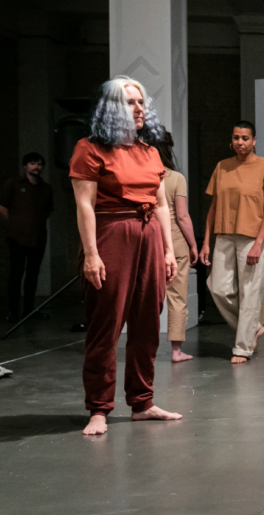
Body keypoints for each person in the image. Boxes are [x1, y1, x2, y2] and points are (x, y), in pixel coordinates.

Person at [69, 76, 183, 435]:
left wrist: (167, 249)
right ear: (111, 109)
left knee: (149, 322)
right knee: (107, 324)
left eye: (141, 102)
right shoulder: (90, 148)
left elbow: (162, 204)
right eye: (130, 102)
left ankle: (142, 403)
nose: (139, 109)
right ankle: (99, 409)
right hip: (112, 234)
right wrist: (91, 254)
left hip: (149, 236)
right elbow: (84, 206)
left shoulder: (148, 150)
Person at [198, 121, 264, 364]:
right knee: (218, 288)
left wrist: (259, 243)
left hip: (251, 237)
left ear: (254, 140)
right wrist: (207, 242)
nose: (240, 142)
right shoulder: (222, 167)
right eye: (236, 137)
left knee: (250, 292)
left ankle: (242, 348)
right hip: (224, 235)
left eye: (245, 138)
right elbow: (213, 207)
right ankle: (252, 327)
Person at [154, 132, 200, 363]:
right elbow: (182, 217)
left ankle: (145, 348)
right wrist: (194, 245)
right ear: (169, 148)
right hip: (176, 244)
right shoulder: (175, 178)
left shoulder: (140, 176)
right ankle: (176, 351)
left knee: (149, 299)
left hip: (150, 244)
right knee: (177, 299)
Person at [1, 152, 53, 322]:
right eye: (32, 164)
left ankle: (29, 310)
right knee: (16, 274)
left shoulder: (46, 188)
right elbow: (3, 207)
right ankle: (13, 311)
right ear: (25, 166)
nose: (36, 167)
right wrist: (15, 224)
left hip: (38, 237)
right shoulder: (13, 184)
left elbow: (48, 211)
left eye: (39, 164)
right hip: (17, 237)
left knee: (33, 275)